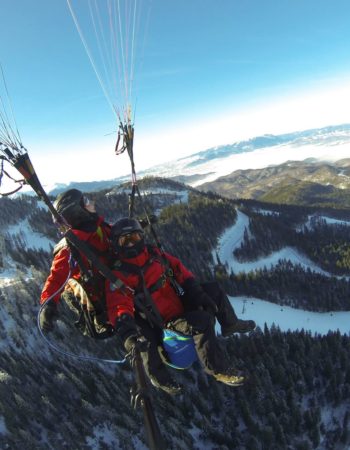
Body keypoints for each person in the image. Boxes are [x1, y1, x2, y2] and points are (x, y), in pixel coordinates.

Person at [105, 217, 248, 395]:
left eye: (135, 237)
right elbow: (118, 305)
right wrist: (127, 331)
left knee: (213, 289)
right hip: (166, 321)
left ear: (142, 237)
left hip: (179, 301)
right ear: (117, 245)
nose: (131, 243)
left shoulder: (153, 254)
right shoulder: (120, 274)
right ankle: (218, 370)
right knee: (202, 322)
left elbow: (178, 269)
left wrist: (196, 293)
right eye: (125, 240)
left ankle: (230, 324)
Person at [40, 188, 112, 337]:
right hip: (108, 299)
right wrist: (48, 304)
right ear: (76, 212)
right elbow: (56, 278)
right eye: (85, 202)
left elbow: (115, 235)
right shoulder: (70, 246)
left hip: (121, 285)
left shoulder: (98, 227)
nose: (91, 203)